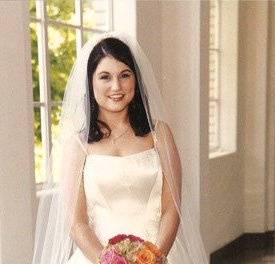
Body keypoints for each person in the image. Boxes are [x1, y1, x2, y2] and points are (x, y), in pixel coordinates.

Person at [31, 31, 209, 264]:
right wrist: (110, 262)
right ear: (91, 82)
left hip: (158, 256)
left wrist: (152, 259)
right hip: (96, 259)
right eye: (105, 77)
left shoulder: (160, 135)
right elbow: (77, 223)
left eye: (125, 75)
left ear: (135, 79)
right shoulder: (78, 146)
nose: (116, 86)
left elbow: (172, 210)